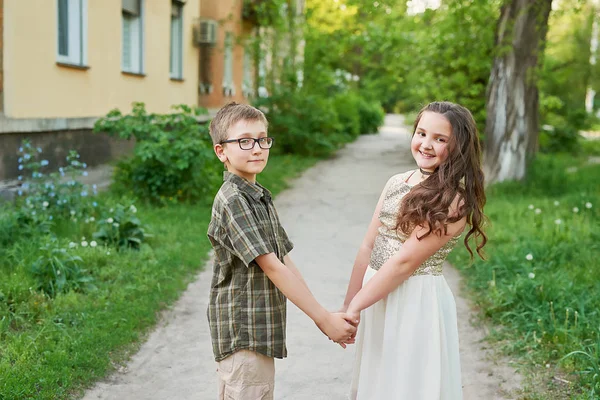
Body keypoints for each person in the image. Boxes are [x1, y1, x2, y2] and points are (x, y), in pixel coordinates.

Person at [206, 102, 356, 400]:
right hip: (243, 335)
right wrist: (324, 321)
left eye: (263, 139)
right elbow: (271, 266)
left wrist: (323, 314)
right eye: (245, 141)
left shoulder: (258, 196)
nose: (257, 148)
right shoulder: (234, 200)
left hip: (258, 333)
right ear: (221, 151)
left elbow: (284, 259)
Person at [340, 101, 488, 399]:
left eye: (440, 139)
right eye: (421, 133)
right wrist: (348, 308)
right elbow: (368, 245)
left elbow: (404, 263)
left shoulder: (453, 200)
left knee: (407, 381)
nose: (426, 144)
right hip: (376, 292)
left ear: (458, 147)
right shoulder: (398, 181)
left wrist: (357, 305)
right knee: (378, 377)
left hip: (414, 300)